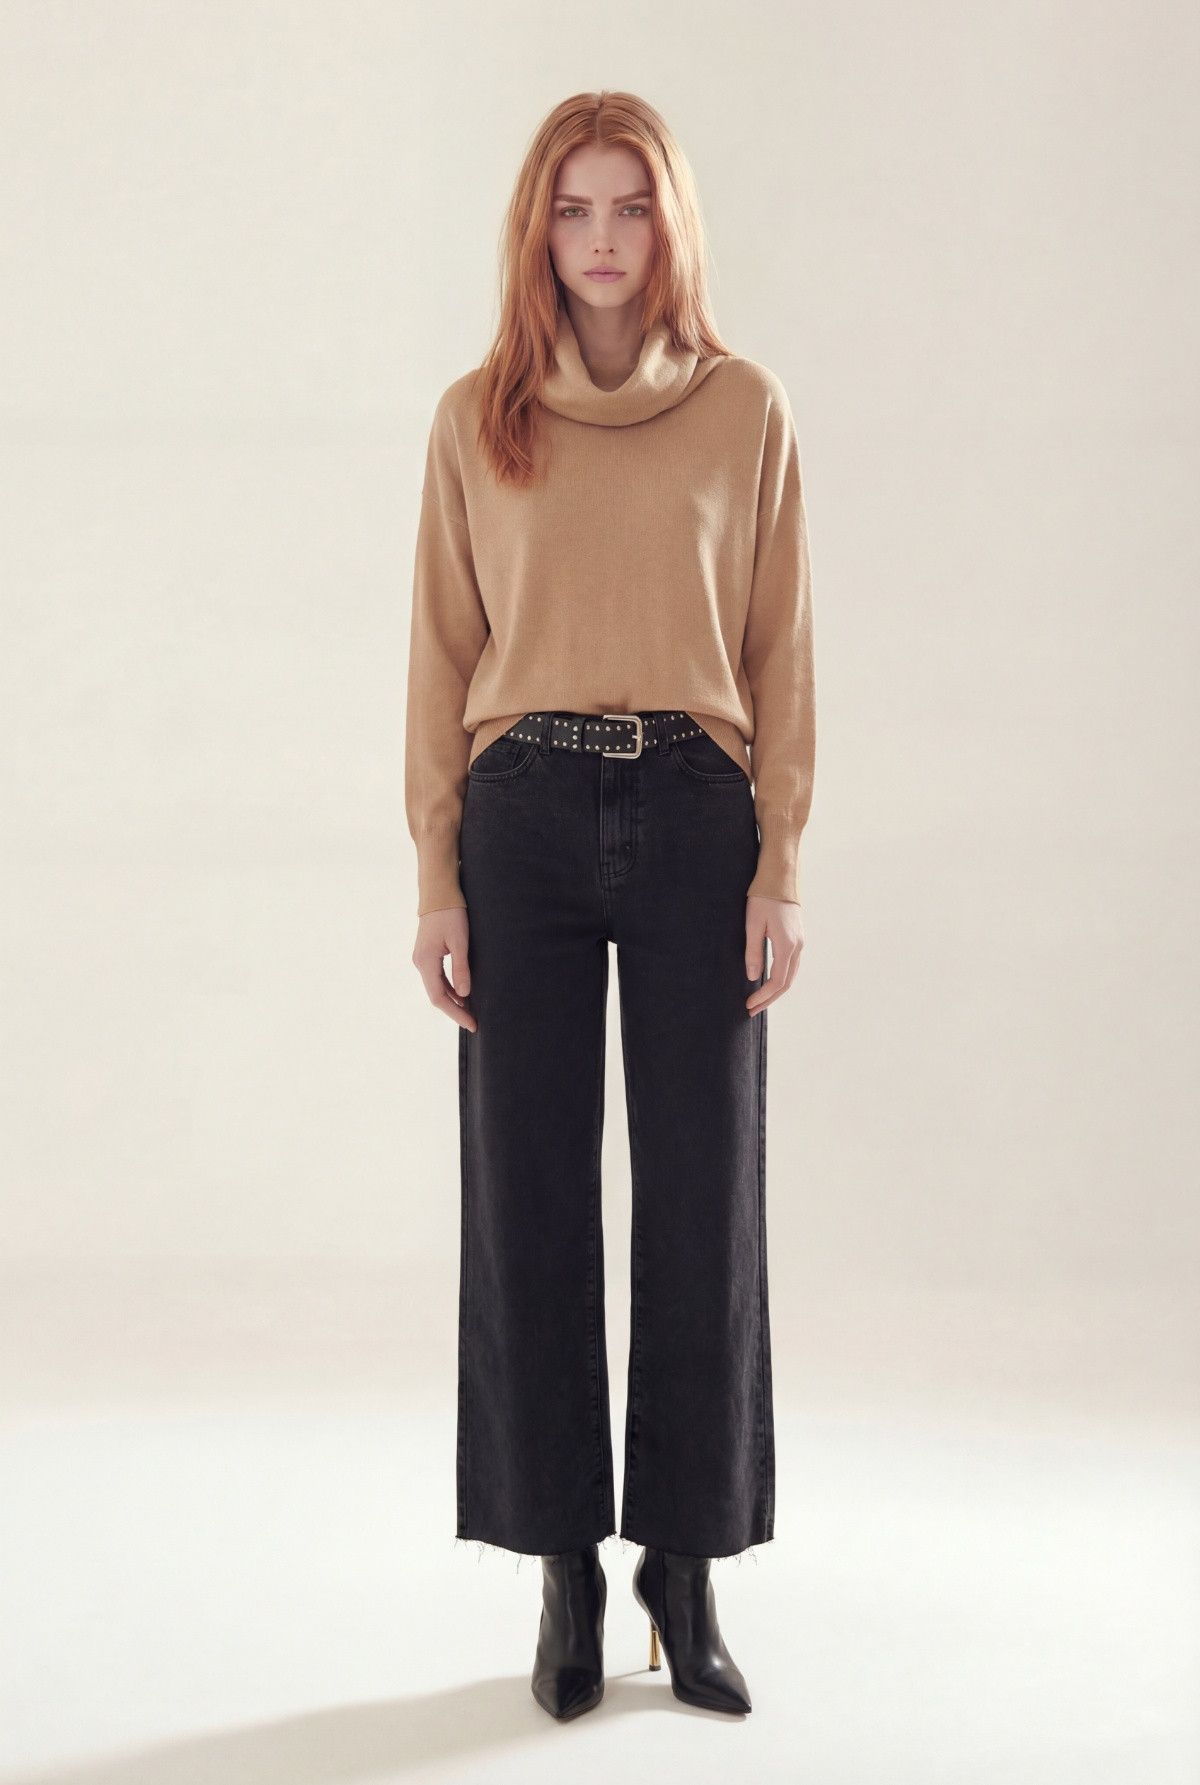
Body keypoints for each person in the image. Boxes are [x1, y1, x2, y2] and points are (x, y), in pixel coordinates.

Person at [404, 89, 816, 1721]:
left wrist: (783, 858)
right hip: (520, 812)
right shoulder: (477, 418)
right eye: (572, 208)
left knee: (705, 1194)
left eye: (629, 206)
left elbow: (781, 649)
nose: (600, 238)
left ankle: (685, 1565)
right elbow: (441, 654)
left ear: (669, 225)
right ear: (537, 228)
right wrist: (434, 870)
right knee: (529, 1194)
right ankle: (566, 1561)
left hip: (700, 807)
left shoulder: (745, 410)